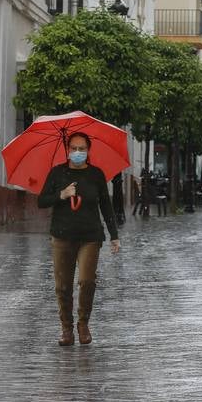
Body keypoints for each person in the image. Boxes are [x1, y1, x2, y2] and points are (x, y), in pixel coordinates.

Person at [37, 131, 121, 346]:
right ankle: (66, 328)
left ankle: (83, 324)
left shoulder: (96, 175)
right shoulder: (57, 173)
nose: (77, 152)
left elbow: (106, 205)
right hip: (62, 236)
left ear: (88, 150)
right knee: (63, 286)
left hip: (90, 236)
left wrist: (114, 235)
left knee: (86, 281)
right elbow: (42, 201)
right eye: (73, 148)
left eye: (82, 149)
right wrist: (61, 195)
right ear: (67, 150)